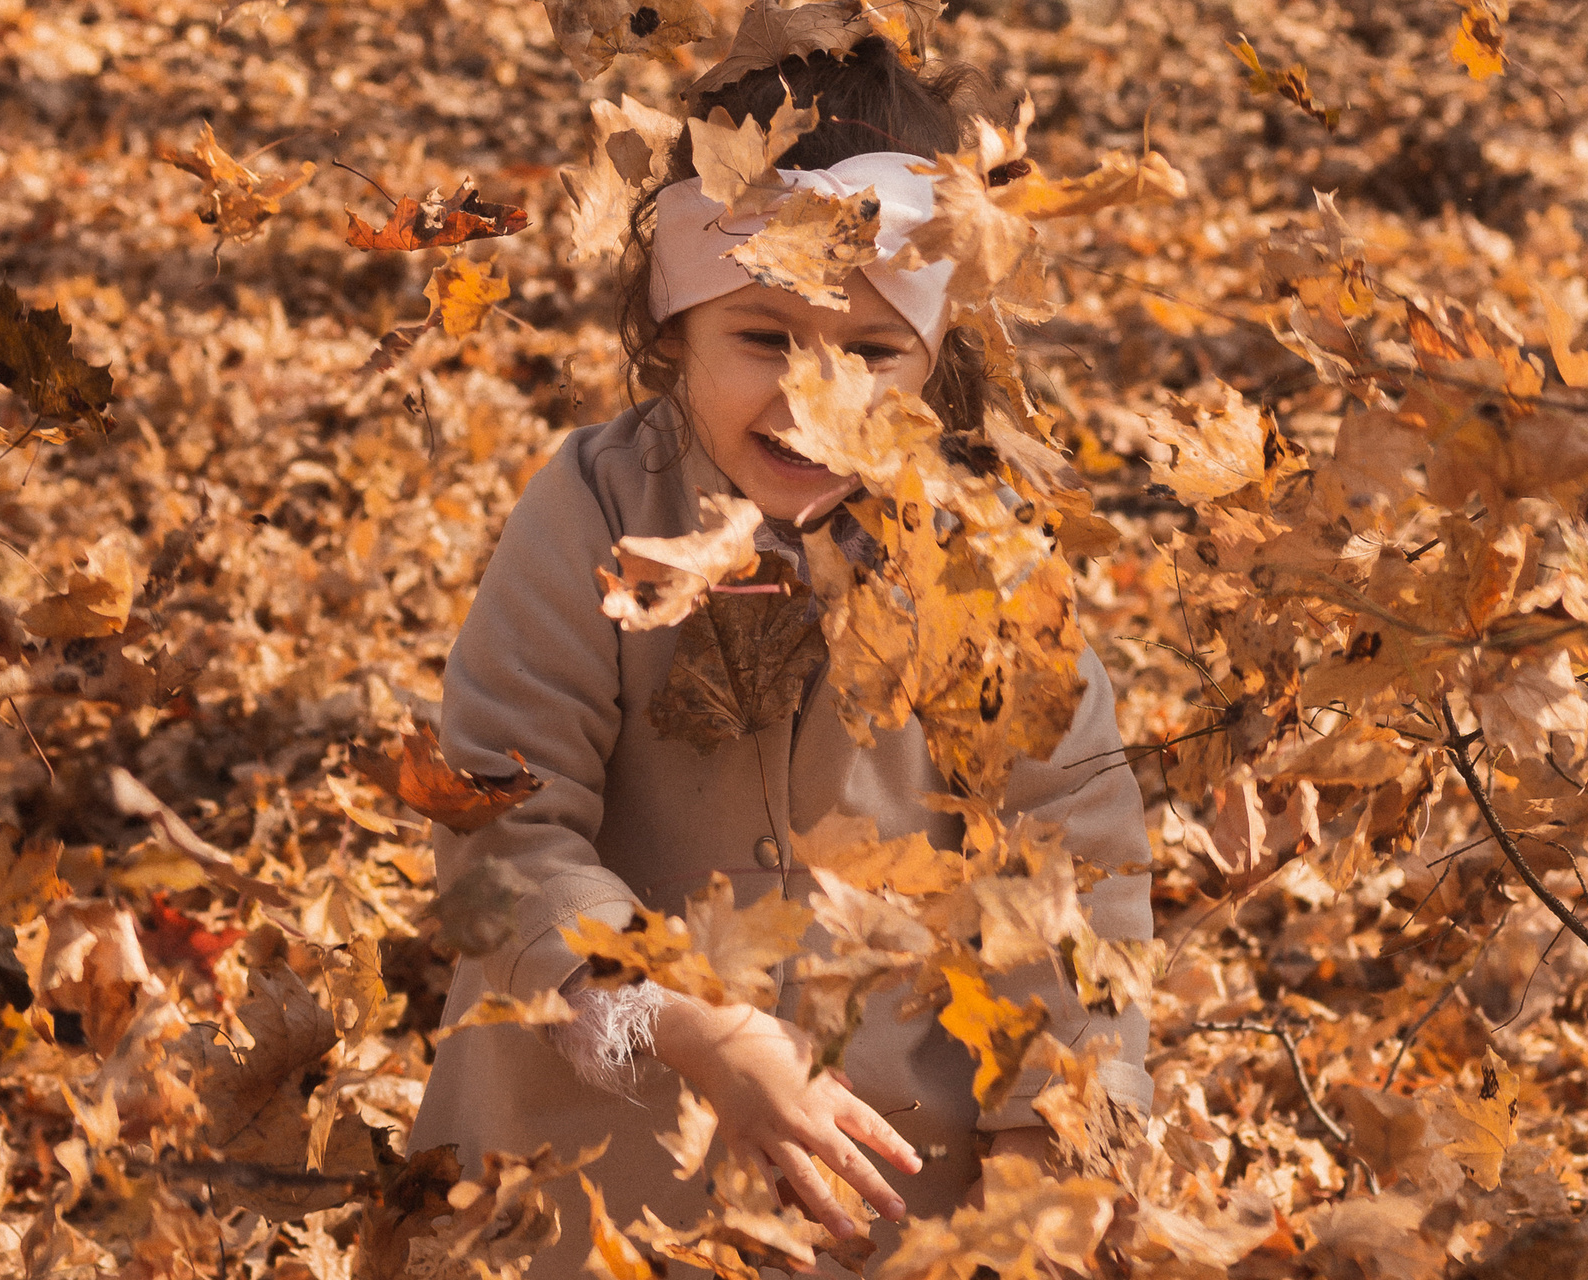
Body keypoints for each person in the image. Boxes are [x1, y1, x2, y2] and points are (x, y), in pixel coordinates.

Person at [406, 32, 1153, 1276]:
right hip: (586, 1178)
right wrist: (693, 1027)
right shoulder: (593, 508)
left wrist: (1051, 1136)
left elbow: (1073, 850)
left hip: (891, 1185)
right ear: (674, 325)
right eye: (763, 336)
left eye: (871, 353)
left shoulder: (983, 555)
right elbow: (498, 823)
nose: (814, 397)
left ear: (938, 357)